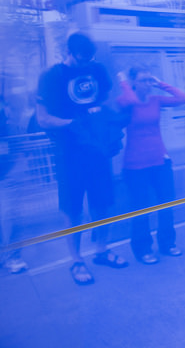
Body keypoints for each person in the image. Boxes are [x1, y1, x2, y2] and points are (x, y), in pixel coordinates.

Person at [36, 32, 128, 285]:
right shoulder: (52, 77)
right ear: (69, 52)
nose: (86, 64)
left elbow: (107, 100)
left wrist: (109, 125)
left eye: (90, 59)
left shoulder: (97, 69)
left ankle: (101, 250)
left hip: (98, 151)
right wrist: (73, 123)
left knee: (103, 204)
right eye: (81, 59)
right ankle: (76, 260)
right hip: (69, 154)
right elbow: (43, 118)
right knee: (73, 210)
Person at [116, 67, 185, 264]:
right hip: (135, 165)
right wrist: (124, 83)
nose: (148, 84)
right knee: (140, 208)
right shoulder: (126, 101)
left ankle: (167, 244)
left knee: (167, 204)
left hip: (160, 161)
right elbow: (131, 100)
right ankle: (143, 249)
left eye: (150, 80)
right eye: (144, 80)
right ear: (133, 83)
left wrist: (160, 84)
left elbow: (184, 98)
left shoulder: (156, 100)